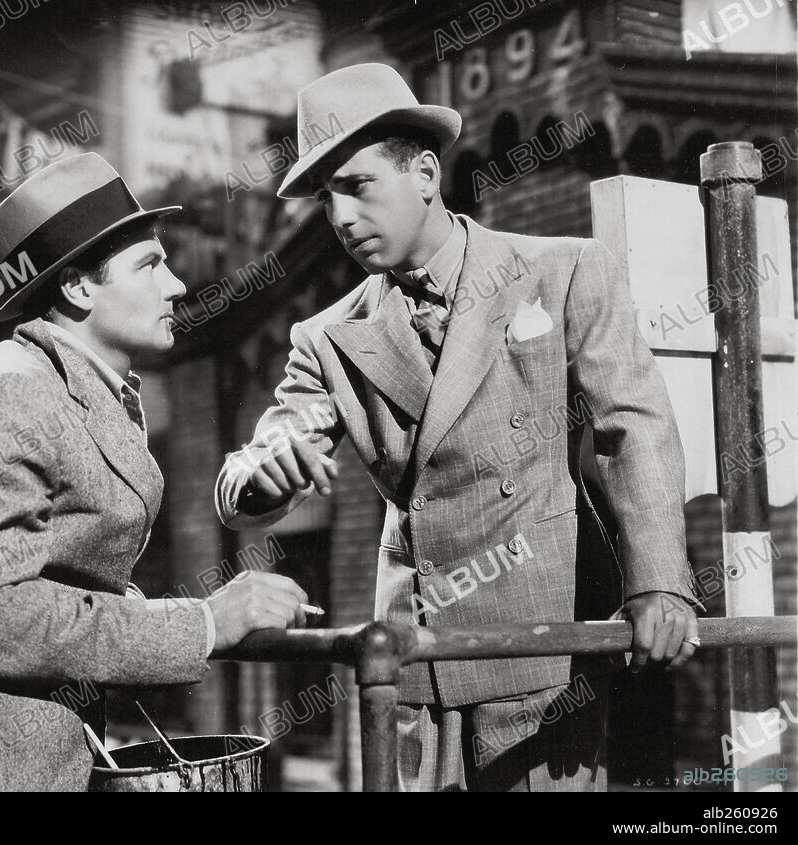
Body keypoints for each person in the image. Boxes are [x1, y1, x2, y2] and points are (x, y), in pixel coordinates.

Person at [215, 64, 700, 792]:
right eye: (326, 198)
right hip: (417, 663)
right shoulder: (330, 337)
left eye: (357, 186)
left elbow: (634, 427)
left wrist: (660, 583)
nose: (341, 218)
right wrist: (264, 473)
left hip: (543, 648)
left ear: (425, 174)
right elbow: (265, 457)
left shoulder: (560, 272)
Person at [0, 153, 309, 792]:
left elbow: (58, 577)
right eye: (150, 265)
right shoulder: (8, 396)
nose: (178, 286)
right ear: (77, 287)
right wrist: (205, 624)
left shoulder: (90, 391)